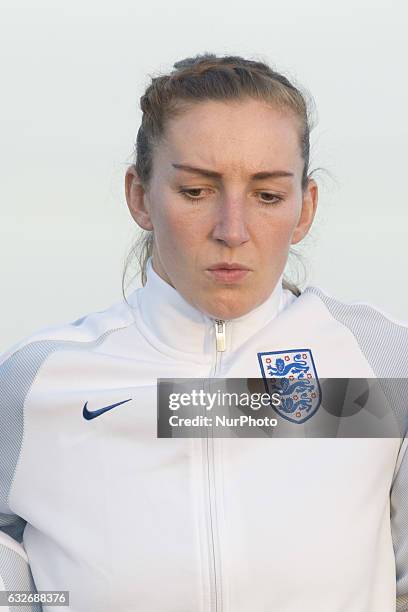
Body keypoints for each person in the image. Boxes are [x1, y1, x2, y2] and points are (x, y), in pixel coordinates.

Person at [0, 52, 407, 612]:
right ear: (140, 196)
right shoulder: (39, 379)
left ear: (305, 208)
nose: (232, 230)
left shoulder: (381, 361)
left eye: (267, 195)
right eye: (196, 190)